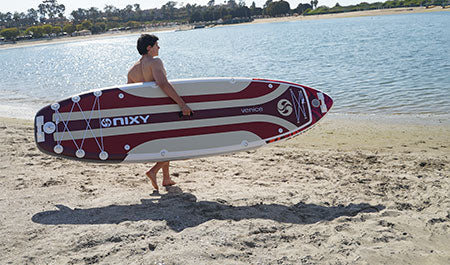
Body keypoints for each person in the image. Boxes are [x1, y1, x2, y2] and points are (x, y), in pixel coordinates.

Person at [127, 34, 192, 190]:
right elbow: (163, 83)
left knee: (165, 143)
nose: (159, 48)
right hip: (162, 109)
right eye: (156, 44)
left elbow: (131, 96)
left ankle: (166, 178)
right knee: (177, 143)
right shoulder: (155, 62)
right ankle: (153, 171)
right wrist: (182, 104)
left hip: (147, 114)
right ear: (149, 48)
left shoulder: (132, 70)